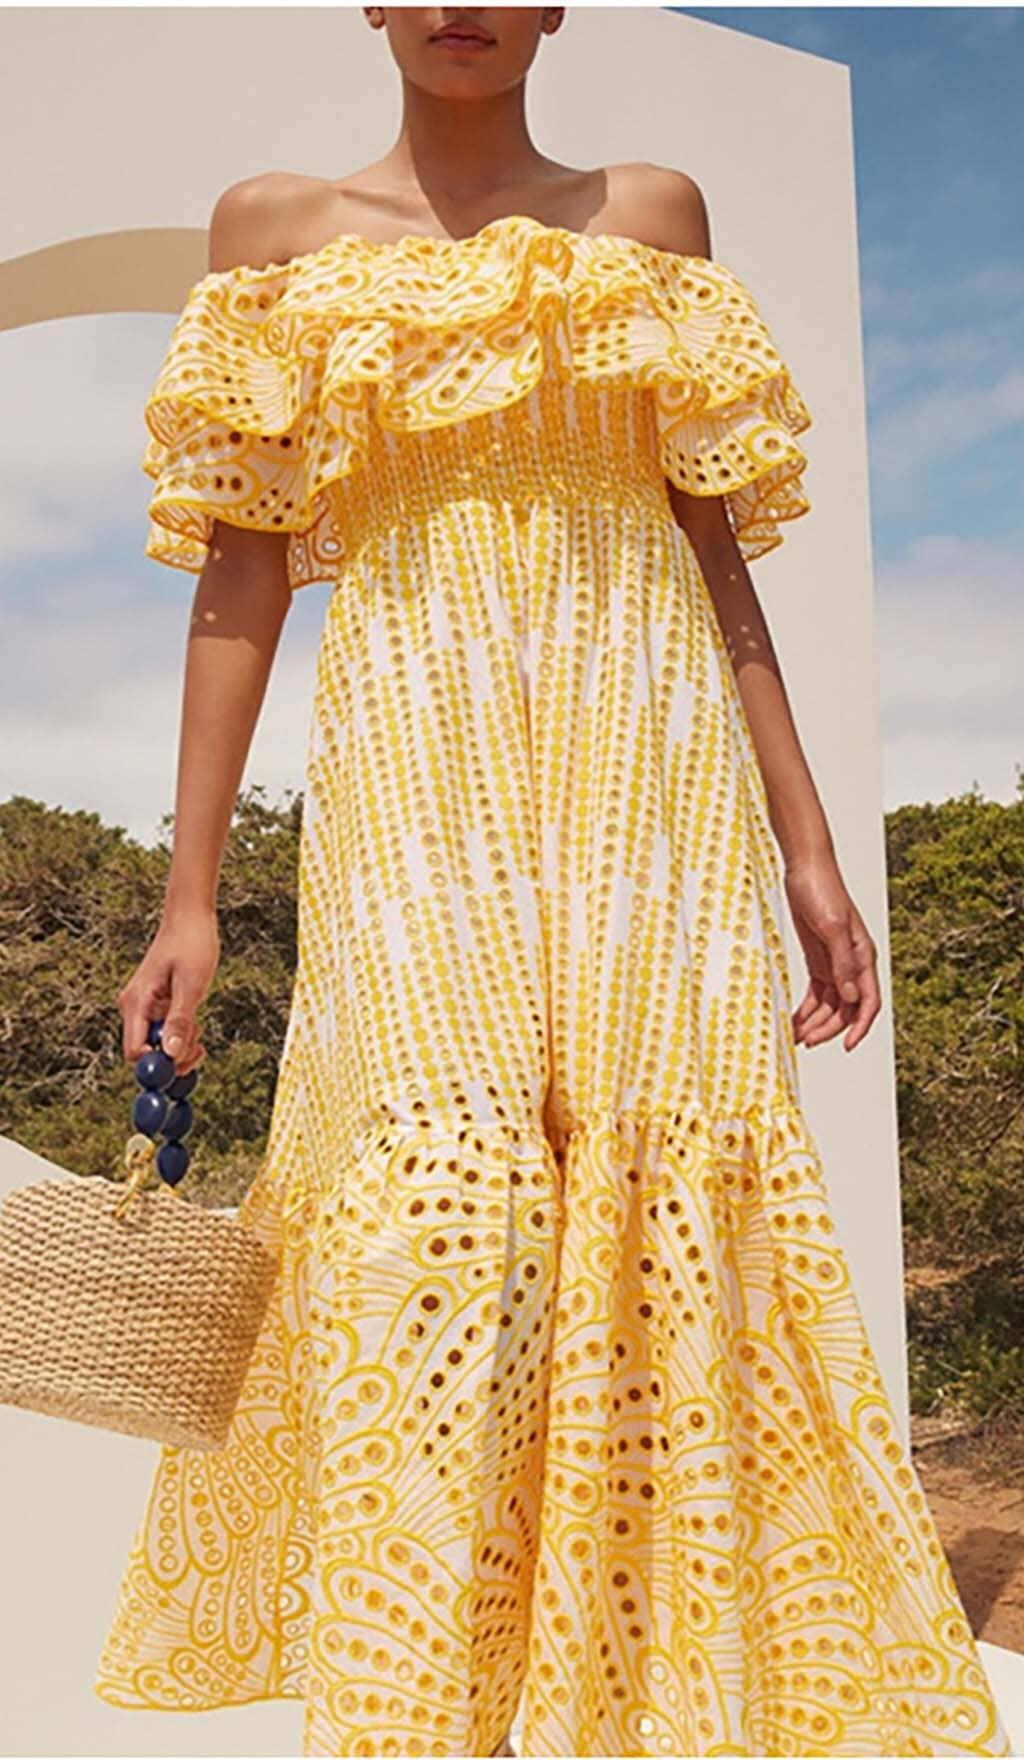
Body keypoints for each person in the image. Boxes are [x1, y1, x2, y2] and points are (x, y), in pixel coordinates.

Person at [92, 8, 1010, 1758]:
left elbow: (716, 556)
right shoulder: (273, 232)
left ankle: (650, 1704)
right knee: (451, 1209)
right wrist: (186, 897)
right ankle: (422, 1702)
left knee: (665, 1176)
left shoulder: (651, 216)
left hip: (648, 758)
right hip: (414, 754)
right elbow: (240, 579)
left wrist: (810, 848)